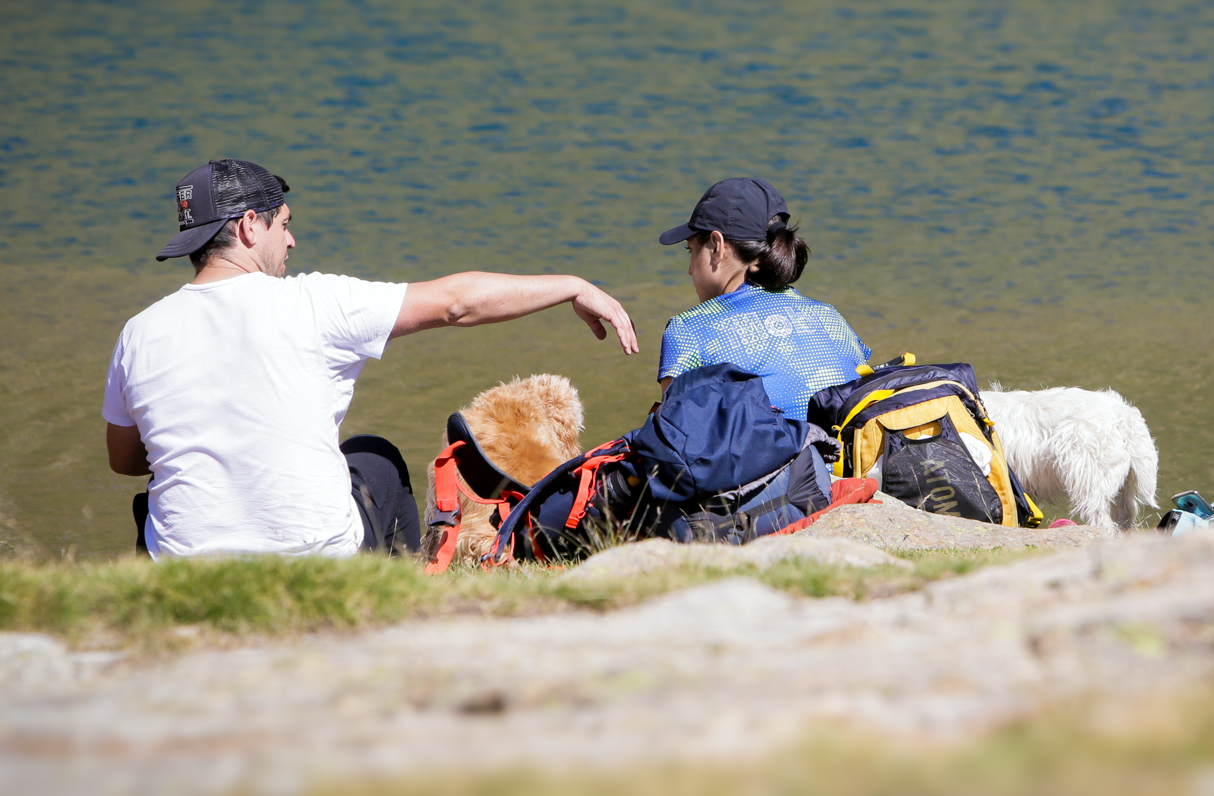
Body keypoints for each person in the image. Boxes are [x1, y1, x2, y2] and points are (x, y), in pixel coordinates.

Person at [103, 158, 637, 559]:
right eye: (283, 224)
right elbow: (458, 302)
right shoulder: (312, 303)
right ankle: (402, 599)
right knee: (374, 458)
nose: (291, 241)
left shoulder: (139, 332)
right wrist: (572, 285)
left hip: (186, 566)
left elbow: (127, 460)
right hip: (315, 559)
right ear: (248, 227)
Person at [656, 177, 870, 422]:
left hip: (775, 460)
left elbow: (674, 436)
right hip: (848, 457)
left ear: (717, 246)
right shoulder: (829, 316)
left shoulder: (688, 330)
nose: (690, 270)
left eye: (691, 251)